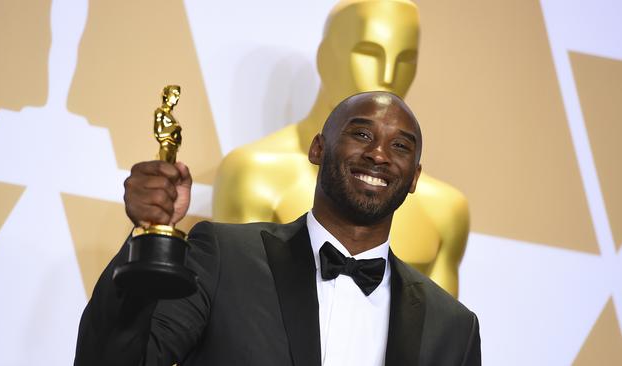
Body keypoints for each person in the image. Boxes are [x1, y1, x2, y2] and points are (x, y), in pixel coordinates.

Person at [74, 92, 481, 365]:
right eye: (361, 134)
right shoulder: (225, 257)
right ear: (318, 148)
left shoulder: (454, 328)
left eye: (400, 146)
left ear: (414, 178)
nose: (378, 154)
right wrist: (149, 237)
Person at [212, 0, 469, 297]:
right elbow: (239, 313)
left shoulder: (445, 210)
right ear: (325, 57)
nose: (388, 75)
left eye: (405, 58)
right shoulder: (253, 173)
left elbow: (438, 337)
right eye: (369, 53)